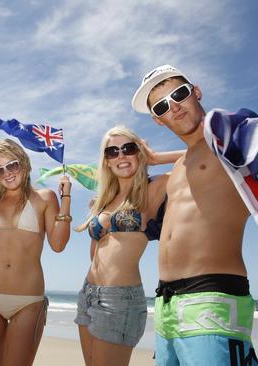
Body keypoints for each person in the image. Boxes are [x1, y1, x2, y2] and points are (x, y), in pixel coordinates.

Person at [131, 64, 258, 365]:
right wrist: (158, 158)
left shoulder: (231, 138)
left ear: (196, 92)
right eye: (162, 106)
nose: (173, 106)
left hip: (213, 300)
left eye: (179, 94)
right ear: (158, 120)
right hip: (165, 306)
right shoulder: (177, 169)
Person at [73, 126, 183, 366]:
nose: (121, 155)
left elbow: (201, 158)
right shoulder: (103, 199)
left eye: (128, 148)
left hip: (119, 299)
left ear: (139, 153)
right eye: (112, 151)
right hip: (88, 293)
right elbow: (96, 252)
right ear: (107, 161)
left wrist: (156, 158)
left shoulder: (155, 187)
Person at [0, 138, 72, 366]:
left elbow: (59, 245)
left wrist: (66, 199)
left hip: (28, 302)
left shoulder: (45, 198)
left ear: (24, 163)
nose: (7, 174)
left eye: (12, 165)